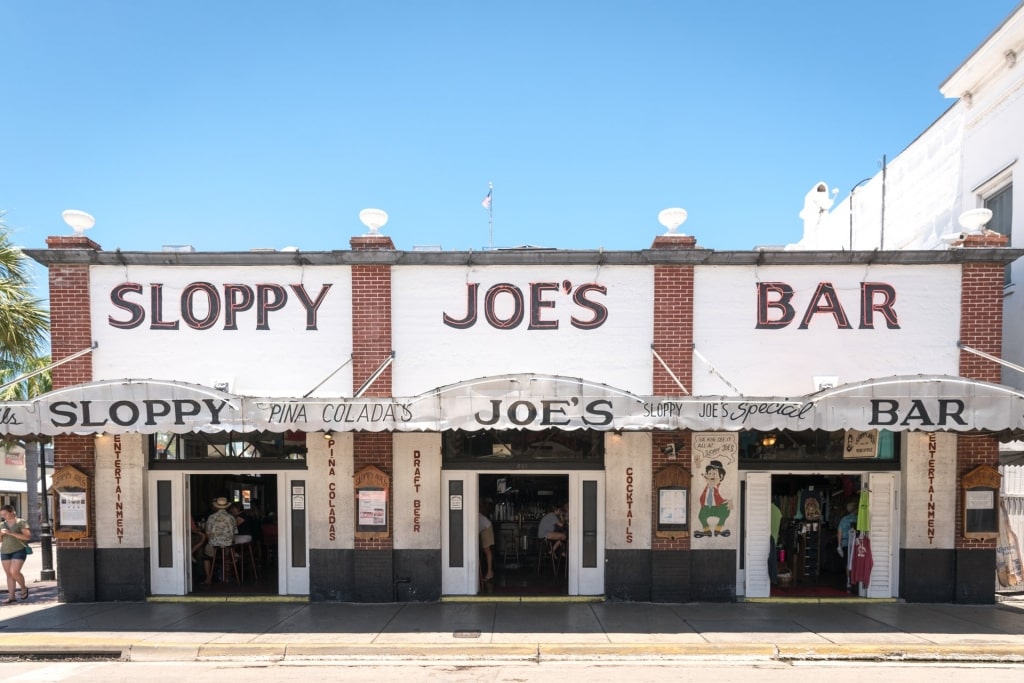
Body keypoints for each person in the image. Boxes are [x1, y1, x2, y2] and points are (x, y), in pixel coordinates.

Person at [0, 505, 31, 604]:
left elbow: (27, 537)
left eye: (5, 514)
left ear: (12, 512)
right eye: (2, 515)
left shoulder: (21, 522)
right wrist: (1, 534)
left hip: (19, 550)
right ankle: (11, 597)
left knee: (14, 571)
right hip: (5, 551)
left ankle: (23, 587)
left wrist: (10, 533)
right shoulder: (2, 525)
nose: (3, 516)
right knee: (9, 574)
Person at [203, 497, 237, 585]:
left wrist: (214, 540)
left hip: (214, 544)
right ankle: (226, 577)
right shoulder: (232, 518)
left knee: (206, 557)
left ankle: (208, 578)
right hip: (227, 545)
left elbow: (208, 533)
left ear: (216, 506)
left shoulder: (211, 517)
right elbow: (234, 533)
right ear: (226, 507)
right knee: (227, 555)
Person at [836, 500, 858, 589]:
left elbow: (839, 532)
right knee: (855, 562)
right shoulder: (858, 518)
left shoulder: (844, 519)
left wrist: (839, 545)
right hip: (856, 543)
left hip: (845, 543)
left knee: (847, 563)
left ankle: (848, 581)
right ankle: (856, 580)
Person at [478, 502, 494, 583]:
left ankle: (489, 572)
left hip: (486, 527)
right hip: (485, 526)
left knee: (487, 550)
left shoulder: (472, 513)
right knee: (486, 550)